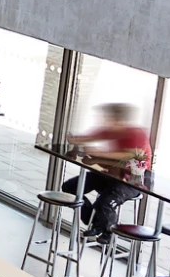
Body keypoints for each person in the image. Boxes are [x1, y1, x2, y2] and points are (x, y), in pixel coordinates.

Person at [62, 102, 152, 239]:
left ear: (120, 121)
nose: (105, 121)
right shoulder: (110, 130)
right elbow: (87, 138)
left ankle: (108, 232)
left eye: (108, 118)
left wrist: (99, 156)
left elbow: (132, 158)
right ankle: (95, 220)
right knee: (70, 187)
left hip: (135, 180)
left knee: (105, 203)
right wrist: (76, 144)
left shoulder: (137, 135)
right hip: (112, 174)